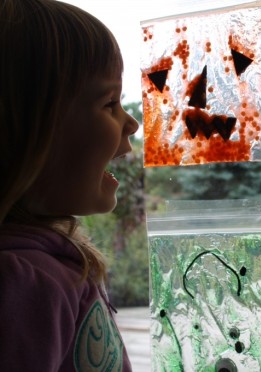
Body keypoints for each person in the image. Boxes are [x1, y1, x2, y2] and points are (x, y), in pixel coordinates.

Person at [0, 0, 139, 370]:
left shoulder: (47, 267)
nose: (132, 123)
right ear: (30, 135)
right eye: (110, 103)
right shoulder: (22, 285)